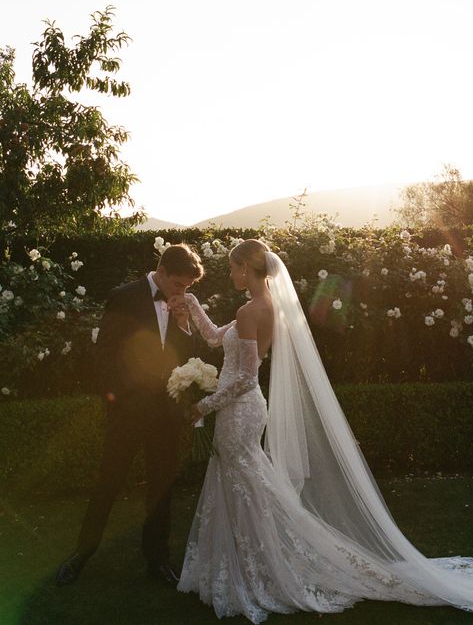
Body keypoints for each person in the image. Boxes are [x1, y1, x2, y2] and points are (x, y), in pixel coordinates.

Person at [176, 238, 473, 624]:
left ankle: (257, 568)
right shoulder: (264, 307)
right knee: (244, 485)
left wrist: (204, 404)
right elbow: (216, 337)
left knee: (247, 487)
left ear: (246, 269)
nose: (230, 274)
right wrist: (194, 306)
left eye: (233, 268)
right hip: (242, 412)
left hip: (239, 411)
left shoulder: (250, 310)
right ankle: (245, 565)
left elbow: (247, 379)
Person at [55, 243, 203, 587]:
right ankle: (82, 553)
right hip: (128, 413)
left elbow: (183, 358)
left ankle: (158, 560)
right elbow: (104, 354)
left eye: (187, 287)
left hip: (166, 414)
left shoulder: (181, 304)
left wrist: (183, 325)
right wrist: (117, 401)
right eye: (178, 284)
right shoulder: (123, 296)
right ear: (162, 272)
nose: (183, 292)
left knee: (161, 488)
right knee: (108, 483)